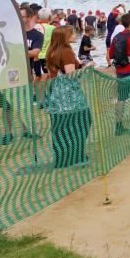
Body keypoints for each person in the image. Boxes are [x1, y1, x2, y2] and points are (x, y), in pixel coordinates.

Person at [45, 25, 92, 167]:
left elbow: (55, 71)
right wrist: (87, 67)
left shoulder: (51, 50)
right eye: (72, 33)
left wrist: (78, 64)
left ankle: (63, 157)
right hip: (69, 95)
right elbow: (71, 75)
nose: (75, 34)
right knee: (83, 121)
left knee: (61, 126)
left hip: (55, 94)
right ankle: (77, 156)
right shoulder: (66, 51)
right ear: (65, 37)